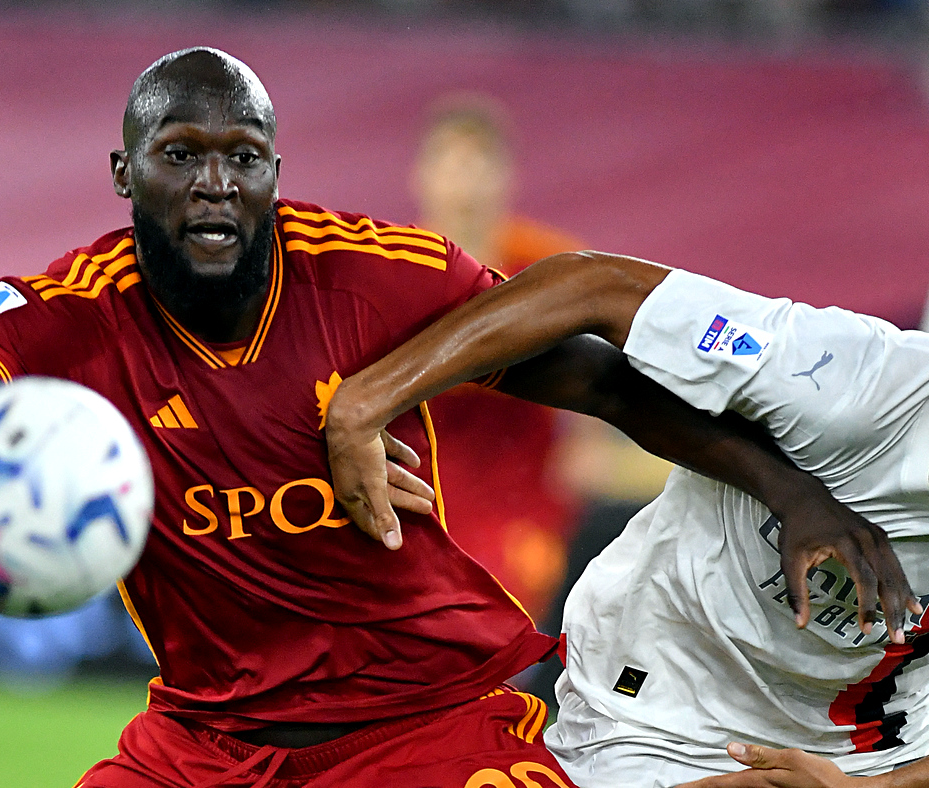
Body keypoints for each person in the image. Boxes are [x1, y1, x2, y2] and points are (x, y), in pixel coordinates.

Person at [0, 49, 911, 787]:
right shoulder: (66, 318)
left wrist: (794, 493)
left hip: (424, 729)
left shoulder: (375, 276)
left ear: (274, 173)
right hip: (202, 745)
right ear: (123, 170)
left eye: (241, 157)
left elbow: (604, 377)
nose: (214, 182)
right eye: (182, 155)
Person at [325, 251, 929, 787]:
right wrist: (366, 403)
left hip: (873, 757)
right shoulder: (854, 384)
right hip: (652, 715)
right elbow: (592, 286)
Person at [412, 95, 588, 621]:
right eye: (451, 164)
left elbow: (600, 356)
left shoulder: (544, 265)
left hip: (519, 498)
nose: (464, 183)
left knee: (499, 629)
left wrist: (586, 447)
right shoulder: (394, 266)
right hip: (422, 493)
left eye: (478, 164)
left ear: (505, 175)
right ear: (423, 176)